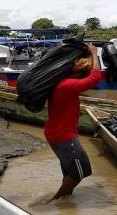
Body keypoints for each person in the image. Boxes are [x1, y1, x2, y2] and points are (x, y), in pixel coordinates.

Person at [45, 44, 101, 200]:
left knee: (70, 173)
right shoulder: (67, 85)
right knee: (80, 172)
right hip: (63, 136)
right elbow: (95, 77)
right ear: (83, 73)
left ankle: (66, 201)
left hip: (57, 134)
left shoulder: (64, 83)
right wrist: (94, 54)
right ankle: (52, 202)